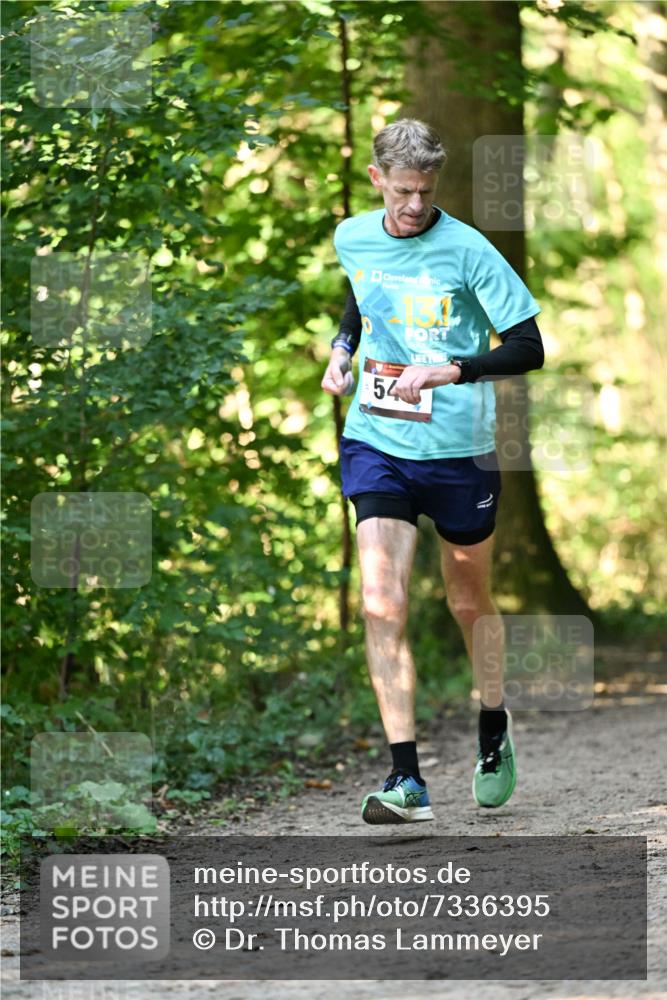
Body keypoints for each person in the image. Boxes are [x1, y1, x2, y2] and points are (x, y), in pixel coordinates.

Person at [321, 118, 544, 824]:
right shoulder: (352, 235)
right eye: (403, 191)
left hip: (458, 452)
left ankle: (491, 721)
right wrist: (342, 347)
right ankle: (406, 780)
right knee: (379, 602)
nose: (414, 206)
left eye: (425, 192)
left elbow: (529, 347)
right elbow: (363, 291)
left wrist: (452, 368)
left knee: (466, 604)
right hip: (377, 441)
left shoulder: (469, 250)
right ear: (377, 180)